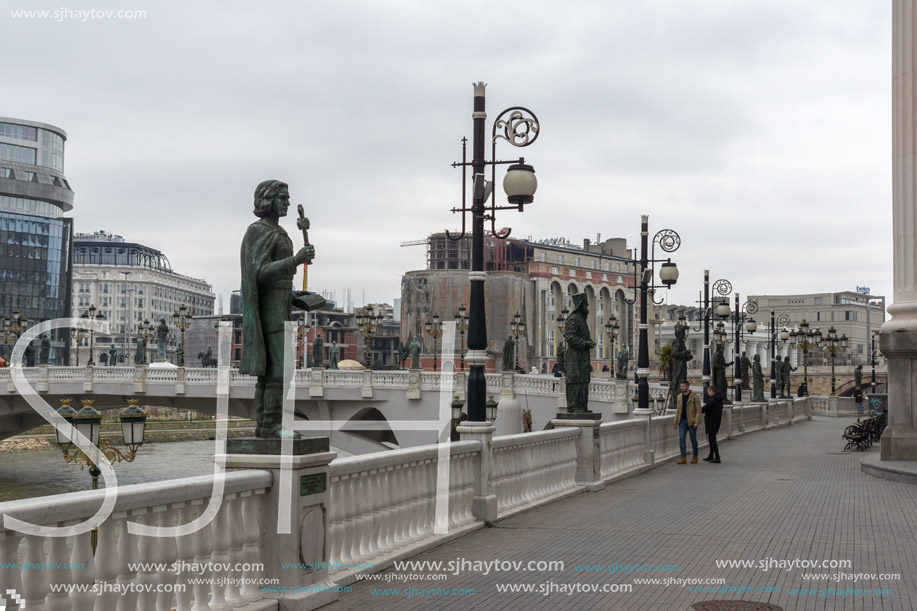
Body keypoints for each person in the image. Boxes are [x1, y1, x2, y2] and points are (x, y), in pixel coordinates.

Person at [240, 179, 324, 438]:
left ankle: (268, 424)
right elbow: (260, 272)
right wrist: (296, 260)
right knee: (277, 369)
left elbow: (276, 279)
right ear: (268, 200)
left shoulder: (278, 233)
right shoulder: (258, 231)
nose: (287, 201)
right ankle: (269, 425)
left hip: (281, 307)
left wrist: (297, 295)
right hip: (268, 314)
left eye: (287, 198)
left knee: (279, 370)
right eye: (282, 197)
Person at [564, 294, 596, 413]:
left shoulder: (582, 319)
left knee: (583, 380)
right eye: (586, 304)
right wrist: (586, 343)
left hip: (583, 356)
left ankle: (582, 406)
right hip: (575, 356)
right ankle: (573, 407)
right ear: (581, 305)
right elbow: (570, 338)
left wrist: (589, 342)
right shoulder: (573, 319)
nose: (587, 306)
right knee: (575, 379)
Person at [673, 379, 702, 464]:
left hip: (692, 422)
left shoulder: (695, 396)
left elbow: (698, 410)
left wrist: (696, 421)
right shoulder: (679, 397)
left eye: (683, 386)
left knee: (693, 439)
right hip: (682, 421)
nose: (681, 388)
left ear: (688, 387)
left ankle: (695, 456)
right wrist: (675, 422)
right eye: (681, 386)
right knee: (681, 438)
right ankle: (683, 457)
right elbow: (678, 410)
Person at [702, 384, 724, 463]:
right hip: (716, 421)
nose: (707, 394)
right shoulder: (719, 400)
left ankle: (717, 457)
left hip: (711, 422)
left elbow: (703, 409)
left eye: (708, 392)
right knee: (711, 439)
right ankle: (711, 455)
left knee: (712, 439)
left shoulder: (712, 400)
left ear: (711, 391)